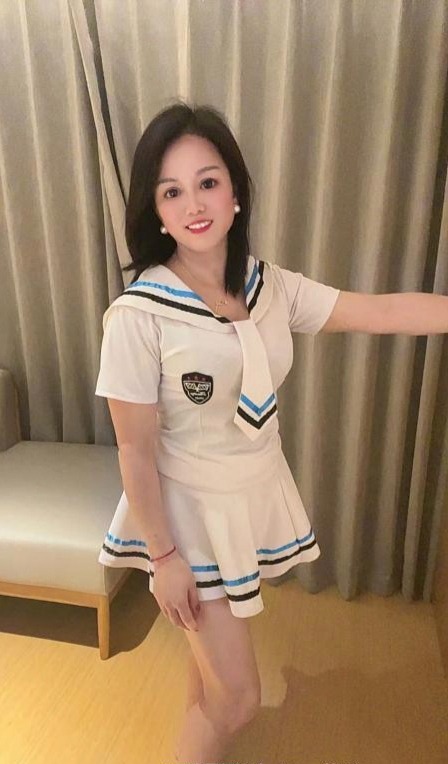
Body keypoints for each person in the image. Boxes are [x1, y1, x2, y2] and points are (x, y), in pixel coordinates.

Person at [94, 100, 341, 764]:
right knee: (237, 699)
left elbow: (378, 312)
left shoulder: (269, 286)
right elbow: (134, 447)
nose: (194, 204)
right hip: (187, 516)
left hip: (247, 490)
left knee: (208, 677)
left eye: (207, 181)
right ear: (156, 210)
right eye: (171, 191)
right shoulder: (139, 315)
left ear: (235, 191)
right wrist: (164, 559)